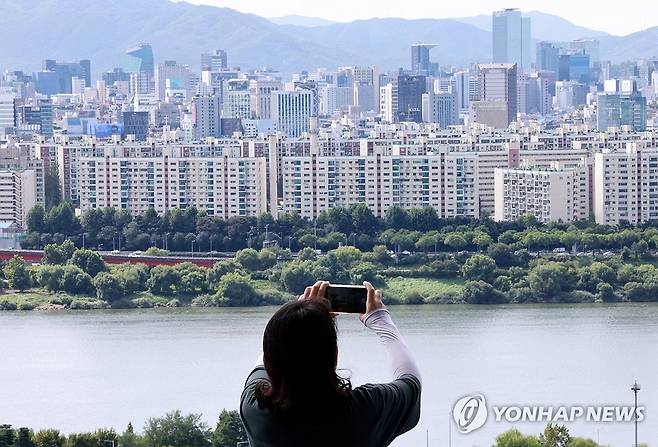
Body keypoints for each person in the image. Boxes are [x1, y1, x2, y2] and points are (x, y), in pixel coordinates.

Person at [240, 280, 422, 447]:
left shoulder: (255, 410)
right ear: (335, 356)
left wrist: (297, 315)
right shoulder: (361, 412)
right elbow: (411, 380)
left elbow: (270, 355)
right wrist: (380, 320)